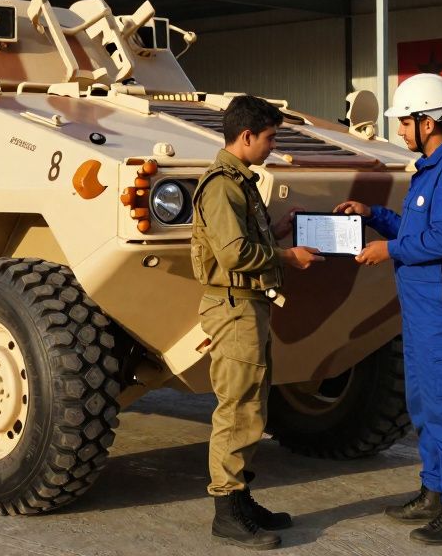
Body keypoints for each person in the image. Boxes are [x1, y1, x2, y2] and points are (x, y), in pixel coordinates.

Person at [333, 73, 442, 546]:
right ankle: (434, 492)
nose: (399, 131)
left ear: (426, 120)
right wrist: (374, 215)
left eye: (403, 122)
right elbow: (419, 227)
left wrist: (390, 250)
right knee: (423, 405)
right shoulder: (430, 169)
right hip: (421, 310)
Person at [191, 94, 324, 550]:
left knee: (252, 406)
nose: (272, 147)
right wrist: (287, 255)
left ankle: (240, 499)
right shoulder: (222, 186)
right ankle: (227, 511)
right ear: (246, 136)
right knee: (236, 408)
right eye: (269, 138)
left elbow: (243, 240)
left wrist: (279, 230)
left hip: (247, 305)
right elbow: (233, 254)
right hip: (233, 308)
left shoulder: (239, 182)